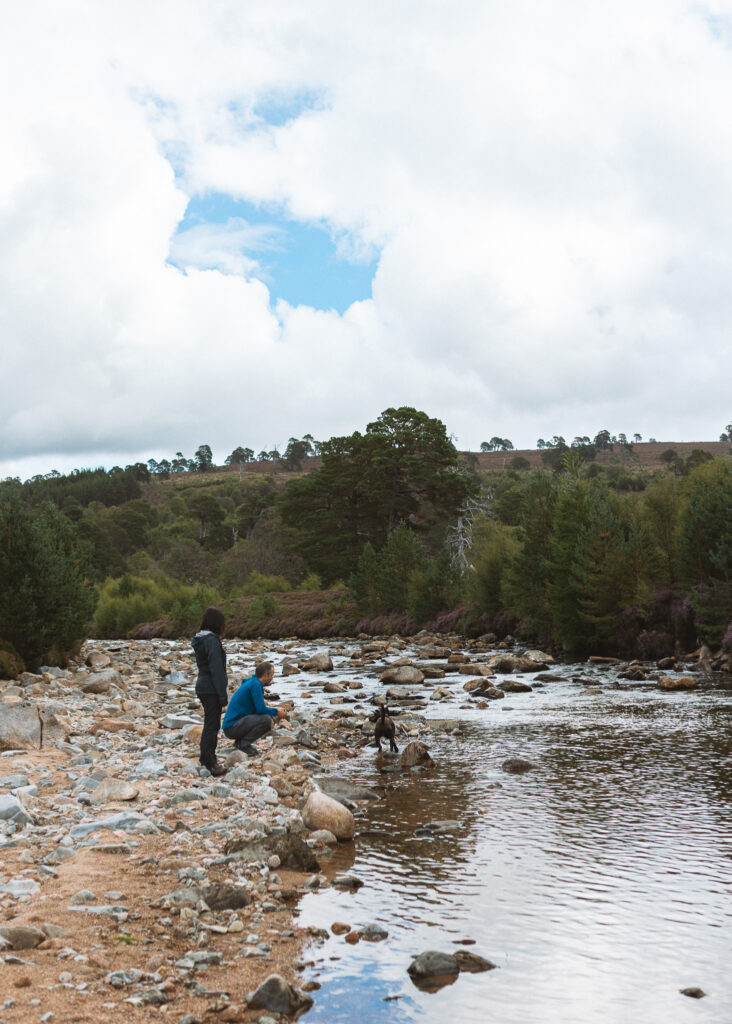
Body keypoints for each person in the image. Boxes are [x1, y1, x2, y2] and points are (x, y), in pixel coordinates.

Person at [192, 606, 229, 776]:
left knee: (210, 723)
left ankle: (205, 757)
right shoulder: (212, 641)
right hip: (210, 687)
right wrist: (223, 695)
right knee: (212, 725)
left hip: (203, 685)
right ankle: (210, 762)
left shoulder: (200, 639)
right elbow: (217, 670)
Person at [223, 661, 287, 756]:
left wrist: (272, 714)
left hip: (233, 725)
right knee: (266, 720)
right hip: (232, 727)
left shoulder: (251, 681)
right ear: (265, 675)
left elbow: (257, 709)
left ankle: (240, 742)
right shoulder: (256, 685)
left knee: (268, 718)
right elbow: (260, 709)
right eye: (271, 675)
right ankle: (243, 744)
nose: (272, 678)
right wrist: (276, 711)